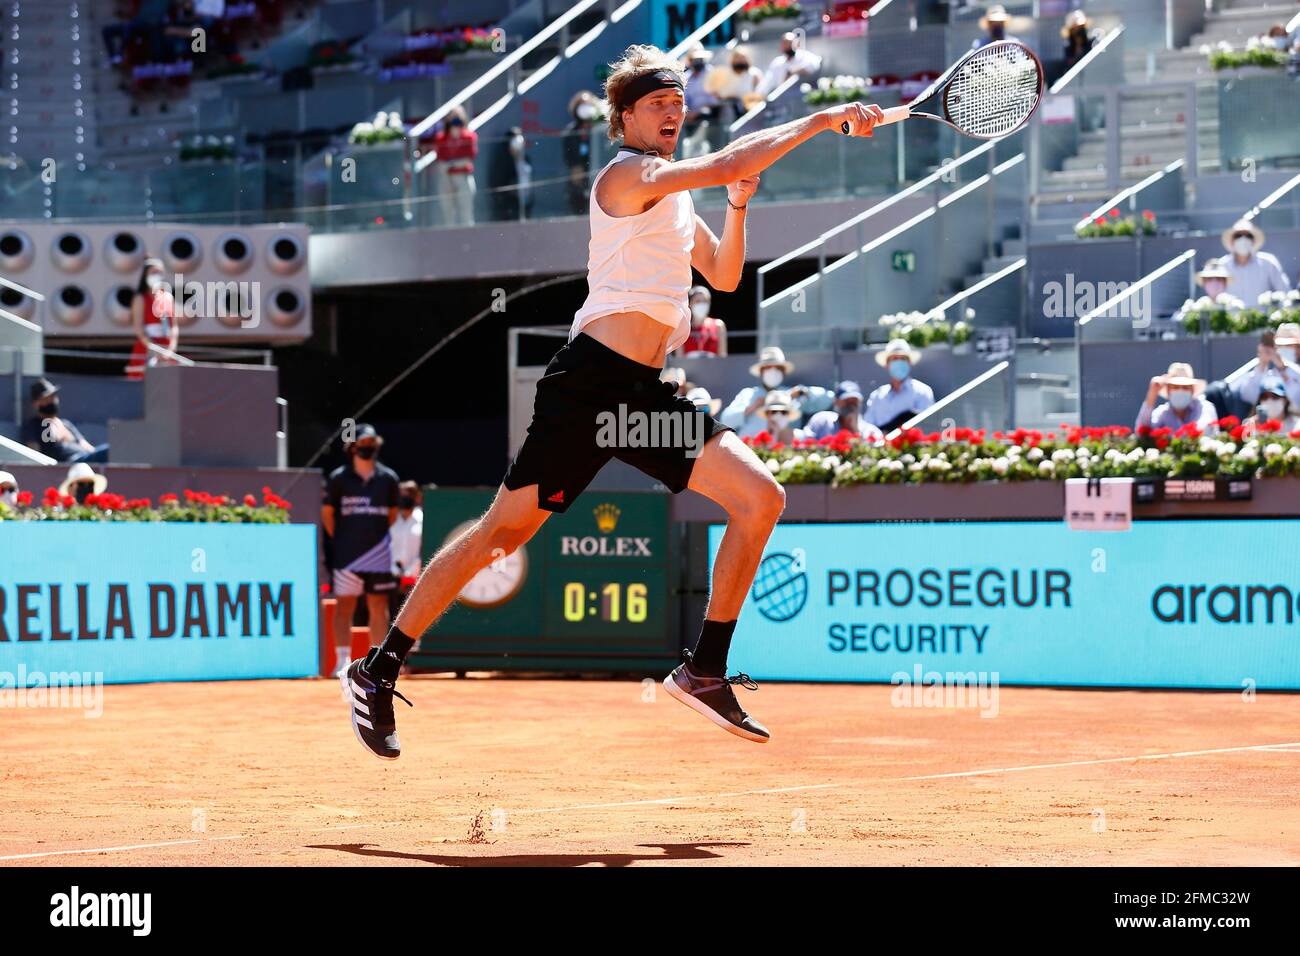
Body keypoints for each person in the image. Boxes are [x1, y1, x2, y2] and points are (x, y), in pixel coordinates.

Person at [340, 42, 887, 759]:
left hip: (643, 398)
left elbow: (723, 276)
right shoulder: (627, 176)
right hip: (589, 387)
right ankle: (378, 668)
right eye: (657, 103)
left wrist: (737, 206)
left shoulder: (675, 194)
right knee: (498, 536)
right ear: (625, 117)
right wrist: (818, 121)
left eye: (678, 103)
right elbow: (729, 158)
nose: (672, 112)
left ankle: (704, 668)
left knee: (761, 498)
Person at [322, 424, 400, 678]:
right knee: (344, 606)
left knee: (378, 606)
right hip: (347, 556)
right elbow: (328, 514)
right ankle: (342, 661)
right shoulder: (339, 479)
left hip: (379, 555)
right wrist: (344, 540)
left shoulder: (388, 478)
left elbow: (391, 514)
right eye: (363, 443)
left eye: (371, 443)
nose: (368, 447)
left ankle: (376, 662)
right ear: (353, 447)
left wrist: (373, 539)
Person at [720, 346, 832, 438]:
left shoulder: (793, 394)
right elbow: (725, 420)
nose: (773, 371)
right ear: (761, 372)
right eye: (768, 368)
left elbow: (829, 399)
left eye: (777, 368)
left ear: (783, 372)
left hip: (783, 451)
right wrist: (752, 407)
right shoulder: (748, 394)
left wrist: (802, 392)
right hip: (750, 449)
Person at [20, 377, 108, 463]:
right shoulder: (33, 426)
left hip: (85, 460)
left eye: (53, 396)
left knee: (110, 451)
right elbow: (34, 455)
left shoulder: (66, 423)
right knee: (108, 451)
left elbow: (87, 447)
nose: (52, 400)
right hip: (68, 464)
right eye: (47, 398)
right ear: (36, 403)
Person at [1215, 219, 1290, 309]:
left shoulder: (1268, 262)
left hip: (1263, 317)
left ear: (1254, 241)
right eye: (1238, 236)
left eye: (1248, 236)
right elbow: (1215, 297)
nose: (1243, 239)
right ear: (1232, 241)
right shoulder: (1222, 265)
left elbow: (1285, 292)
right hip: (1231, 317)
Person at [864, 339, 935, 432]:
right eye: (894, 359)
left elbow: (927, 426)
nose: (899, 362)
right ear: (887, 365)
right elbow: (868, 428)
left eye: (903, 359)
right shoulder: (876, 396)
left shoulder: (922, 391)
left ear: (909, 363)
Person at [126, 257, 179, 380]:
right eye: (153, 273)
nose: (157, 276)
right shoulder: (140, 298)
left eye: (159, 273)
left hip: (166, 348)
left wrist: (170, 349)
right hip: (147, 347)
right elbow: (139, 329)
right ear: (145, 276)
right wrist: (155, 349)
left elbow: (174, 326)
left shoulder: (168, 297)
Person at [1235, 322, 1300, 412]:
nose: (1284, 348)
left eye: (1290, 345)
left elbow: (1297, 401)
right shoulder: (1269, 374)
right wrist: (1262, 364)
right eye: (1280, 345)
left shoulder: (1295, 372)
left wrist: (1284, 367)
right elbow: (1248, 396)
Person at [1136, 362, 1219, 432]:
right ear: (1168, 391)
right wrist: (1152, 394)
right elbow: (1142, 432)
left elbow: (1204, 429)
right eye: (1175, 387)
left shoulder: (1205, 407)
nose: (1180, 390)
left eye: (1185, 387)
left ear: (1192, 390)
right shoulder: (1162, 413)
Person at [433, 105, 478, 226]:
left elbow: (468, 159)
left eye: (458, 116)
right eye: (453, 116)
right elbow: (440, 162)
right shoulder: (441, 138)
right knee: (448, 215)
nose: (455, 119)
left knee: (466, 213)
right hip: (446, 178)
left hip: (463, 177)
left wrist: (451, 164)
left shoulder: (469, 136)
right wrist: (454, 164)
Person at [389, 480, 425, 626]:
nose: (405, 498)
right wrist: (394, 570)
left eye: (409, 495)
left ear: (417, 497)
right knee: (390, 618)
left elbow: (424, 548)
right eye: (402, 495)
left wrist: (411, 571)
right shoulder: (391, 519)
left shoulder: (423, 519)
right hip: (391, 576)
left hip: (416, 578)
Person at [805, 380, 884, 442]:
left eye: (854, 401)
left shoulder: (871, 431)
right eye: (847, 401)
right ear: (836, 402)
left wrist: (855, 429)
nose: (851, 405)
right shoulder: (821, 421)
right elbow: (805, 443)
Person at [705, 47, 764, 128]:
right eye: (737, 58)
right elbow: (715, 92)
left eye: (742, 57)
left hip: (748, 111)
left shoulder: (754, 74)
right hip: (728, 110)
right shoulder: (725, 74)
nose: (740, 60)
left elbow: (759, 94)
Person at [563, 91, 600, 215]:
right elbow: (569, 156)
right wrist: (576, 169)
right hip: (579, 180)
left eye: (588, 104)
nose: (585, 108)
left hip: (597, 174)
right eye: (582, 105)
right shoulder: (571, 131)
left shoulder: (599, 128)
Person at [681, 46, 719, 158]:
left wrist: (697, 113)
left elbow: (715, 100)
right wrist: (688, 113)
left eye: (699, 59)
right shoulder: (686, 77)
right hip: (690, 115)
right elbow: (685, 99)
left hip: (710, 113)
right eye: (694, 59)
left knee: (704, 114)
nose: (697, 62)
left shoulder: (712, 73)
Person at [758, 32, 823, 99]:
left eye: (790, 43)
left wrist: (792, 71)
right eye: (785, 43)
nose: (788, 46)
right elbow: (768, 81)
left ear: (797, 43)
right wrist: (760, 94)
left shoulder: (805, 56)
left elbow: (814, 65)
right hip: (782, 99)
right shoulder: (777, 62)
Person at [489, 126, 532, 221]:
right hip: (510, 203)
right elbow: (499, 181)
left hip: (525, 201)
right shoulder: (503, 161)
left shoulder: (526, 159)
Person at [677, 285, 728, 356]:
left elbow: (723, 356)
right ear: (690, 304)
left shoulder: (719, 325)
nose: (702, 304)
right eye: (698, 301)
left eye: (705, 301)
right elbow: (679, 358)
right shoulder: (682, 327)